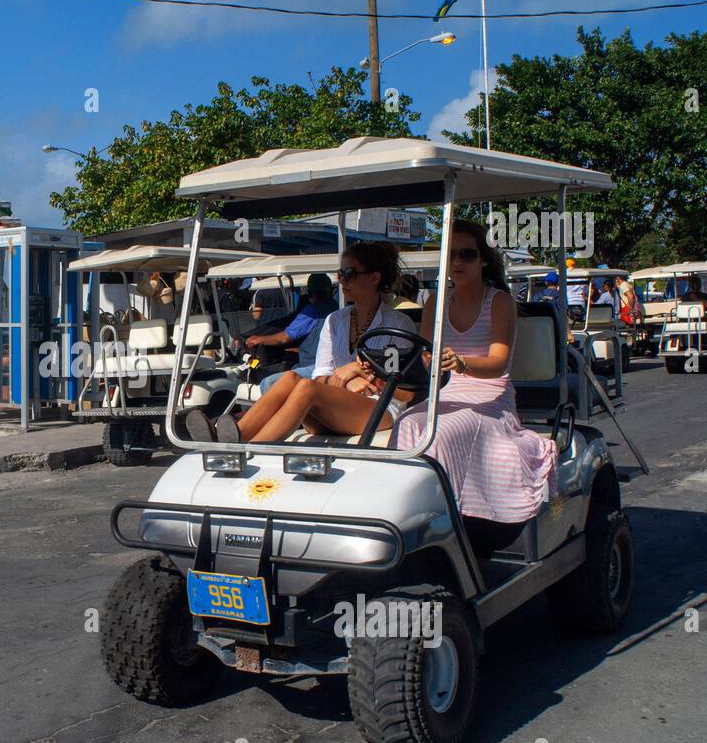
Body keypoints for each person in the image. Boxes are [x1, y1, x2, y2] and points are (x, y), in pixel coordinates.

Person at [389, 220, 557, 549]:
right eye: (451, 255)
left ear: (483, 260)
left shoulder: (499, 302)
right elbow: (425, 357)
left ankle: (451, 525)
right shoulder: (436, 302)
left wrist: (462, 362)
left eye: (467, 254)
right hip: (446, 392)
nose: (458, 263)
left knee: (445, 431)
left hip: (489, 395)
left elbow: (498, 362)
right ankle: (409, 520)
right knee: (409, 425)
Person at [186, 241, 414, 444]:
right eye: (340, 273)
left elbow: (406, 393)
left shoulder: (398, 324)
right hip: (332, 408)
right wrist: (345, 378)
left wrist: (359, 377)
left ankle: (253, 449)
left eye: (350, 273)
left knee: (305, 387)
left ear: (374, 278)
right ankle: (233, 435)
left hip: (379, 409)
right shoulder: (335, 321)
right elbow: (322, 375)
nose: (342, 280)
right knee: (291, 378)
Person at [241, 272, 338, 395]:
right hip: (328, 364)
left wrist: (258, 339)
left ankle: (273, 414)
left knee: (268, 382)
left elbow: (284, 337)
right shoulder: (336, 307)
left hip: (315, 366)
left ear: (310, 292)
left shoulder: (312, 311)